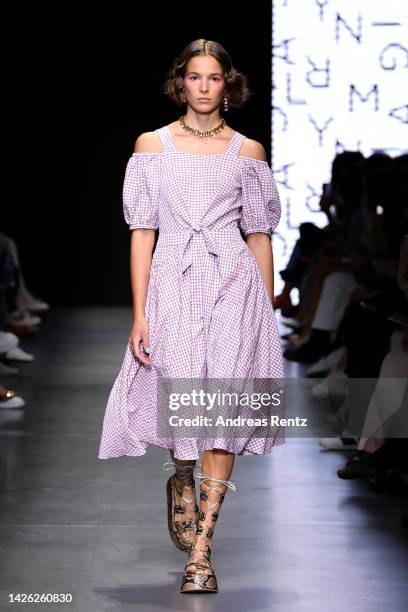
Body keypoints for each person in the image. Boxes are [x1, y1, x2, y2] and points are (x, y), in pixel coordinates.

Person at [98, 39, 284, 594]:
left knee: (223, 406)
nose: (204, 87)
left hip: (232, 282)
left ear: (229, 85)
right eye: (195, 77)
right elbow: (142, 233)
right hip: (173, 281)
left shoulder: (247, 152)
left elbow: (259, 235)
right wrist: (139, 313)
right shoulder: (151, 146)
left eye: (214, 78)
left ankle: (202, 551)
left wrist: (265, 312)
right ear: (181, 82)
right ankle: (182, 473)